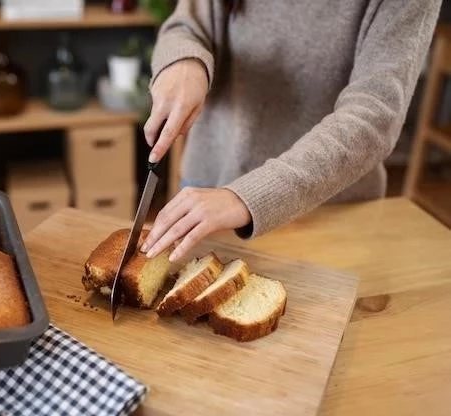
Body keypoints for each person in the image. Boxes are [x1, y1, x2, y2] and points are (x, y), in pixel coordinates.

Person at [139, 0, 442, 262]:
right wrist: (184, 60)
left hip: (329, 212)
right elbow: (187, 26)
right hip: (207, 190)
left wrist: (249, 196)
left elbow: (375, 114)